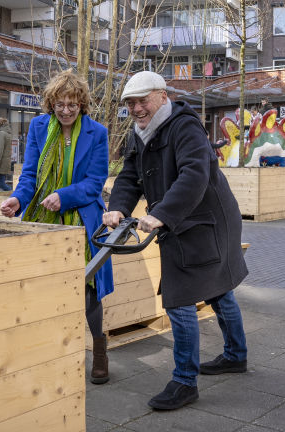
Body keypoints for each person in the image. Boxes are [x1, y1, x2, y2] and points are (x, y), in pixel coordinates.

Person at [104, 71, 249, 411]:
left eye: (143, 101)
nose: (137, 109)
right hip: (182, 220)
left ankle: (185, 382)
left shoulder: (184, 127)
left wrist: (160, 214)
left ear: (163, 96)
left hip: (207, 222)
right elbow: (129, 176)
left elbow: (193, 175)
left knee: (181, 298)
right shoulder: (140, 132)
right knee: (218, 290)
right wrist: (117, 209)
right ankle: (236, 355)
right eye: (130, 104)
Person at [0, 69, 113, 384]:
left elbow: (94, 183)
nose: (65, 111)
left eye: (72, 105)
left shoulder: (97, 132)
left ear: (82, 105)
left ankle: (99, 351)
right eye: (60, 104)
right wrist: (18, 201)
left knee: (88, 290)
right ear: (51, 103)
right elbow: (30, 175)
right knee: (43, 287)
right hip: (42, 220)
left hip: (82, 220)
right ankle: (50, 351)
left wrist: (64, 196)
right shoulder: (38, 127)